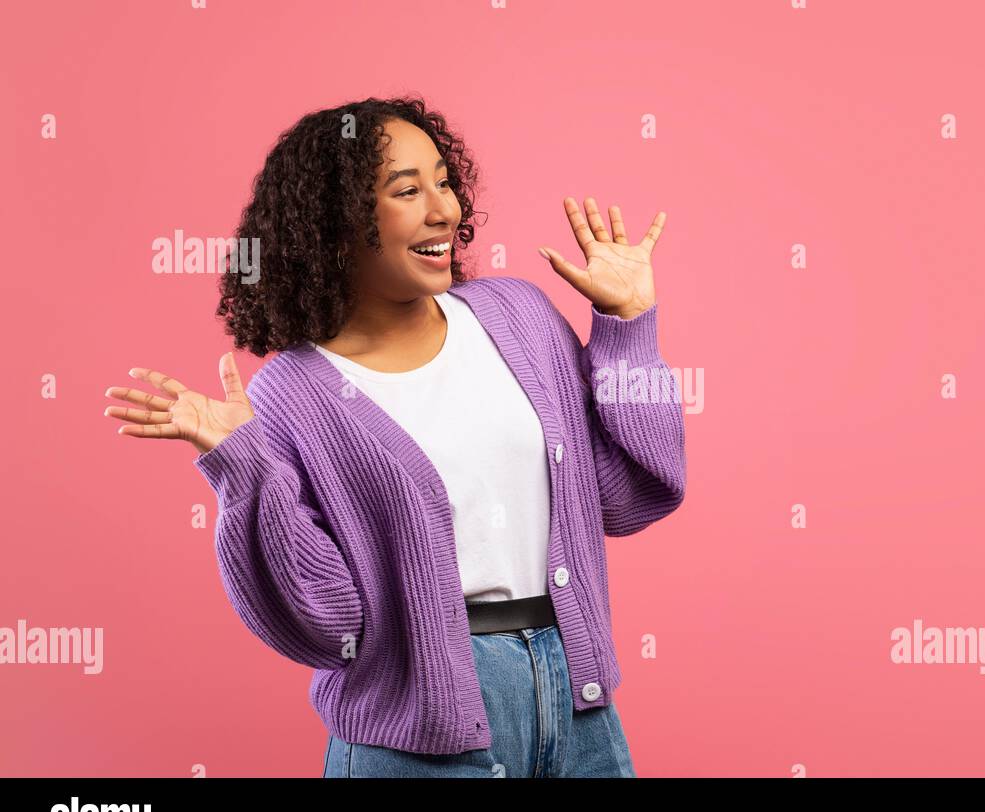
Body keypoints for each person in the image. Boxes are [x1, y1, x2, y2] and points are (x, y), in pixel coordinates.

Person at [102, 96, 686, 777]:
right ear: (337, 222)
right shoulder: (294, 397)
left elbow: (629, 493)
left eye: (444, 181)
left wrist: (629, 327)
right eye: (408, 190)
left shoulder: (519, 318)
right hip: (418, 740)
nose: (445, 211)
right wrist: (246, 471)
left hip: (581, 711)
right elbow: (328, 624)